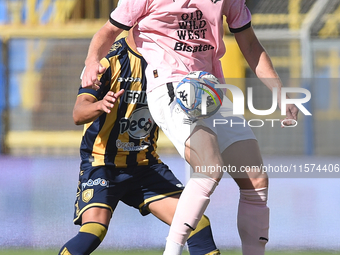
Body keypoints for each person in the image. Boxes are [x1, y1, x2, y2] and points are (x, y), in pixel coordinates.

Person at [80, 1, 300, 255]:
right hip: (169, 86)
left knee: (256, 179)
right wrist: (91, 61)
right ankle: (171, 252)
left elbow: (250, 44)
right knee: (210, 167)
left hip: (210, 89)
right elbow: (108, 31)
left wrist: (280, 93)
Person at [58, 34, 221, 255]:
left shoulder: (170, 61)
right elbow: (78, 113)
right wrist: (100, 105)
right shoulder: (109, 60)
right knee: (94, 230)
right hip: (103, 164)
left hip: (145, 165)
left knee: (197, 223)